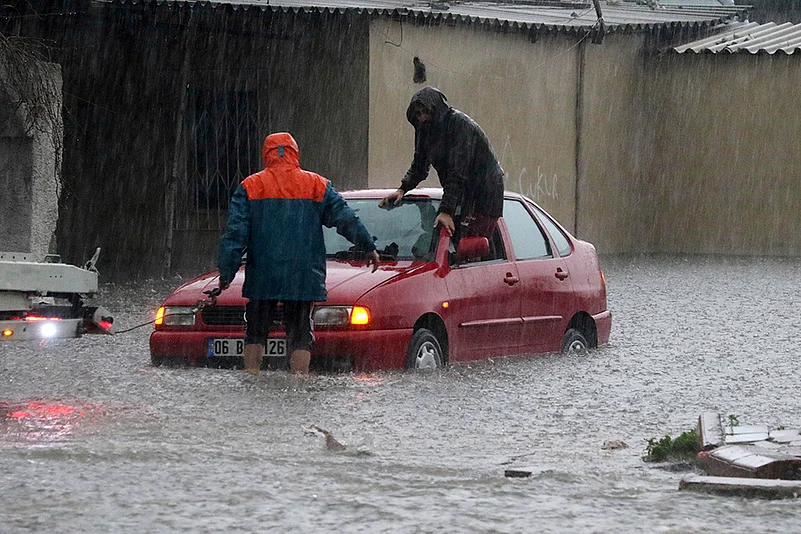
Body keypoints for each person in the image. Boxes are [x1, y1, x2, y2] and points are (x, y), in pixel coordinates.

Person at [217, 132, 379, 375]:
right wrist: (367, 245)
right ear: (295, 154)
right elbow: (346, 218)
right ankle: (299, 383)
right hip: (303, 274)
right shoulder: (317, 185)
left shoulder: (251, 186)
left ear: (266, 154)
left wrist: (226, 273)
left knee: (255, 332)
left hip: (264, 274)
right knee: (301, 333)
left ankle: (251, 379)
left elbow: (235, 234)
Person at [379, 86, 505, 240]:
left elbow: (458, 171)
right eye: (418, 113)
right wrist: (402, 189)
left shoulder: (460, 125)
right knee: (452, 236)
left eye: (426, 112)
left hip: (485, 192)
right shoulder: (424, 130)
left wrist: (446, 210)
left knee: (472, 241)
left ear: (436, 110)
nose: (422, 117)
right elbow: (419, 165)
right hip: (461, 193)